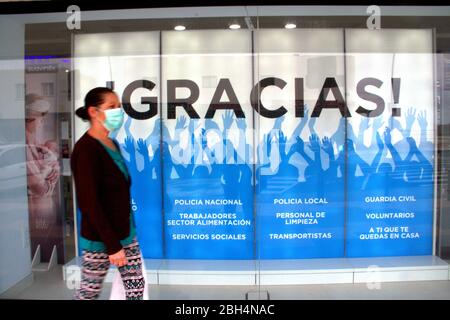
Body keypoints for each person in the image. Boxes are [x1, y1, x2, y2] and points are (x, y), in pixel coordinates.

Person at [71, 87, 145, 300]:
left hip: (125, 233)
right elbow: (89, 203)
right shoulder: (85, 149)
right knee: (89, 292)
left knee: (135, 289)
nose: (118, 112)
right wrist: (113, 246)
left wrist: (124, 237)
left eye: (119, 107)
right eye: (111, 107)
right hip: (101, 238)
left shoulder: (112, 143)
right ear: (93, 112)